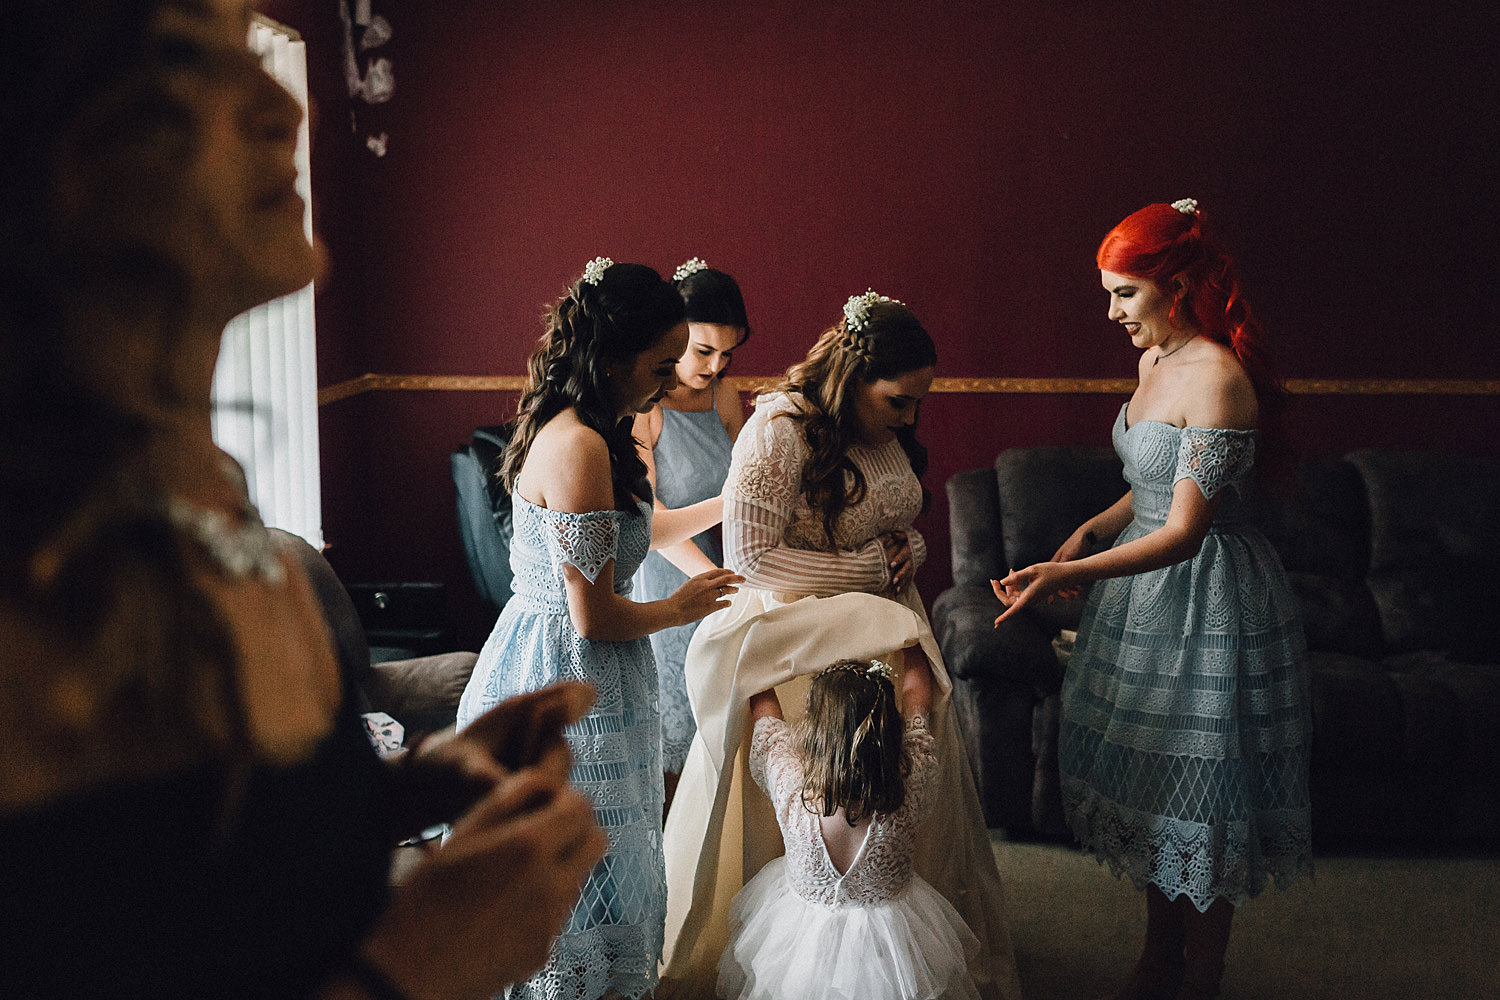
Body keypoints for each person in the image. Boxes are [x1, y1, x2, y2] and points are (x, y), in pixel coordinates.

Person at [0, 2, 608, 999]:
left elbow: (175, 890)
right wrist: (414, 967)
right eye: (189, 61)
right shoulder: (32, 590)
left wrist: (396, 790)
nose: (287, 107)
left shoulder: (210, 501)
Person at [659, 292, 1023, 1000]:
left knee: (906, 795)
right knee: (800, 806)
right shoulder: (777, 428)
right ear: (853, 377)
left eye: (918, 403)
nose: (910, 418)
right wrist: (866, 571)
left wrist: (909, 549)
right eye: (899, 401)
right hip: (804, 643)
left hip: (885, 624)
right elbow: (751, 558)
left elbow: (890, 516)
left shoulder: (875, 428)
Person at [994, 199, 1313, 1000]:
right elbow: (1147, 481)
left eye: (1125, 294)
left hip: (1207, 597)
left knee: (1203, 798)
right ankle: (1156, 956)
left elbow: (1182, 533)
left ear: (1177, 286)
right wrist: (1087, 529)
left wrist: (1066, 577)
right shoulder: (1154, 363)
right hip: (1141, 596)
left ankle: (1200, 976)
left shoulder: (1219, 380)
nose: (1112, 313)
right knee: (1156, 788)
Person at [455, 257, 744, 1000]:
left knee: (606, 857)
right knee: (574, 869)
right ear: (613, 359)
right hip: (562, 665)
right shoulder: (579, 445)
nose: (672, 381)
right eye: (660, 364)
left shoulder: (596, 428)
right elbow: (593, 612)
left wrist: (731, 498)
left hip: (597, 663)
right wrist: (680, 609)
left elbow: (637, 535)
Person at [718, 655, 981, 1000]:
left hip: (800, 942)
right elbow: (918, 699)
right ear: (889, 730)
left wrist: (754, 649)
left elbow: (767, 715)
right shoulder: (911, 781)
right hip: (892, 943)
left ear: (814, 730)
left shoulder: (790, 785)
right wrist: (915, 640)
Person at [632, 257, 749, 813]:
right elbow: (647, 521)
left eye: (727, 353)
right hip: (668, 584)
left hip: (729, 577)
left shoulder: (726, 398)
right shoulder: (644, 410)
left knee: (726, 736)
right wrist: (714, 581)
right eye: (703, 350)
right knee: (672, 744)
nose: (715, 365)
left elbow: (752, 492)